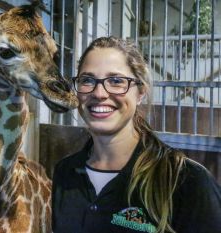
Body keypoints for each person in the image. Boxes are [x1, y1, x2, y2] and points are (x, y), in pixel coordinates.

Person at [52, 36, 221, 233]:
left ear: (140, 92)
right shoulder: (65, 172)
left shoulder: (185, 180)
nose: (99, 93)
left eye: (116, 81)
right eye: (87, 80)